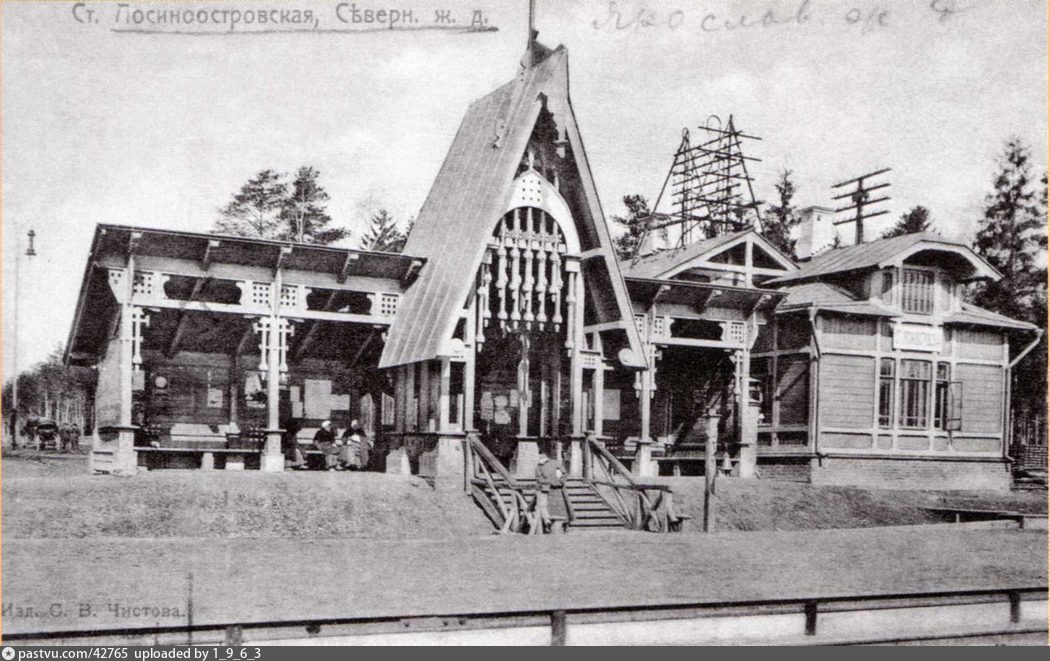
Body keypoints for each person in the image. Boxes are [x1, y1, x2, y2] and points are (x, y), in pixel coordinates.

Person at [534, 450, 567, 533]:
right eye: (539, 456)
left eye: (541, 456)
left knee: (559, 506)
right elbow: (538, 478)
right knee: (542, 505)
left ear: (546, 456)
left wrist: (560, 482)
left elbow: (564, 473)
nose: (540, 458)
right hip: (545, 489)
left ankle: (562, 523)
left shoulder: (555, 463)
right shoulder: (538, 466)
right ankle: (547, 521)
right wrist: (548, 482)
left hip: (557, 489)